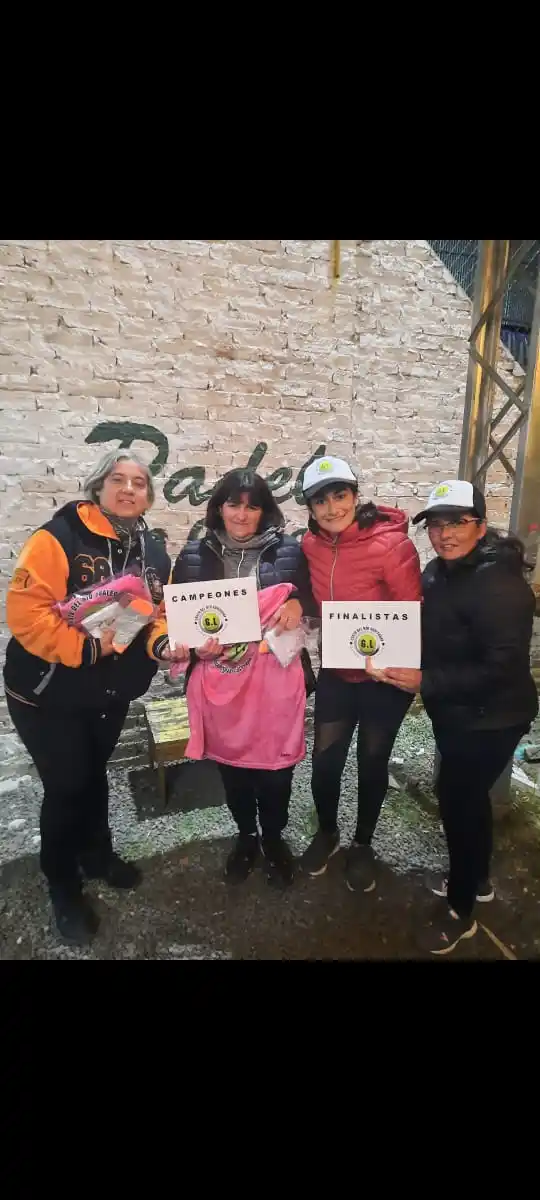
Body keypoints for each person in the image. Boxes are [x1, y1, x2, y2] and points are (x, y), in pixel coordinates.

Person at [3, 450, 172, 945]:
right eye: (117, 479)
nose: (128, 489)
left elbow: (157, 613)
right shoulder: (58, 537)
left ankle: (96, 855)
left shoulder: (153, 551)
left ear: (148, 496)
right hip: (47, 691)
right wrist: (88, 648)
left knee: (93, 773)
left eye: (138, 482)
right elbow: (27, 613)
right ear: (98, 487)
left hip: (107, 692)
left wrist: (162, 643)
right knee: (67, 786)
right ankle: (62, 883)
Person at [373, 479, 538, 955]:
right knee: (467, 799)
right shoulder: (438, 571)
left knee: (459, 803)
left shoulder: (500, 586)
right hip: (457, 712)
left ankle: (460, 910)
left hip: (492, 717)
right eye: (436, 525)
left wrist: (425, 680)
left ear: (480, 526)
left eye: (457, 523)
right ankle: (477, 879)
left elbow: (499, 667)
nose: (444, 534)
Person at [171, 467, 315, 887]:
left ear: (264, 511)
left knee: (276, 771)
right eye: (233, 504)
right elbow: (179, 619)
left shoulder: (289, 552)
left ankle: (274, 837)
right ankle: (246, 836)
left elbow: (311, 601)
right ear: (218, 508)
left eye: (252, 507)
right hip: (220, 682)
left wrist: (298, 604)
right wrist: (192, 646)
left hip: (274, 682)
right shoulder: (194, 556)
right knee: (232, 769)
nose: (241, 514)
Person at [298, 455, 422, 891]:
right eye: (320, 501)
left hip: (383, 679)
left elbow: (412, 611)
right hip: (338, 672)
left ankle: (363, 843)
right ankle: (327, 832)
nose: (332, 508)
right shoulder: (310, 545)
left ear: (355, 495)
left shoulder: (392, 546)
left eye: (340, 495)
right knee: (325, 763)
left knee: (372, 762)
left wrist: (404, 665)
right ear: (310, 508)